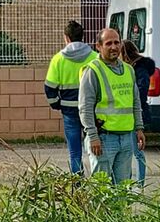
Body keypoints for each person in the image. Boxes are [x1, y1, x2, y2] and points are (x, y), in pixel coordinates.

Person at [80, 28, 145, 185]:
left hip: (126, 138)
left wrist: (139, 128)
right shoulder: (93, 71)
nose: (114, 47)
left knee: (123, 188)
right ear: (99, 46)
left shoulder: (129, 70)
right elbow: (85, 107)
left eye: (117, 42)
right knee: (101, 190)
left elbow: (135, 102)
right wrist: (93, 136)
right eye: (108, 43)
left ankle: (121, 211)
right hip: (103, 138)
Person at [44, 20, 98, 176]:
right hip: (91, 111)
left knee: (75, 153)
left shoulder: (58, 59)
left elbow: (49, 87)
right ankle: (98, 183)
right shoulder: (95, 57)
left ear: (66, 37)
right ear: (82, 36)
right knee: (94, 148)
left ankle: (78, 186)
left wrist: (56, 104)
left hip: (69, 110)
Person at [121, 39, 154, 186]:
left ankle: (139, 183)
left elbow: (141, 91)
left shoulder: (138, 70)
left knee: (137, 152)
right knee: (133, 151)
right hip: (133, 113)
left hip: (136, 113)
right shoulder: (135, 68)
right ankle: (134, 182)